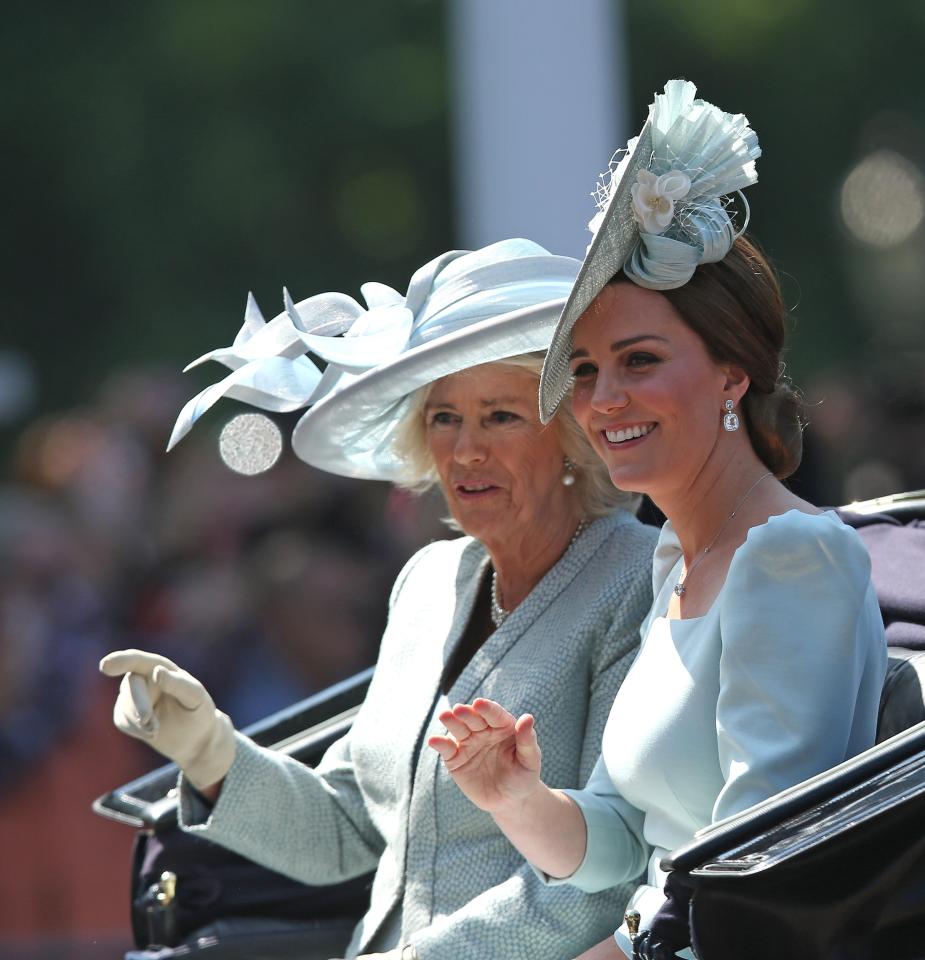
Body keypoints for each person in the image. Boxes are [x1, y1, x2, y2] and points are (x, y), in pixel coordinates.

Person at [100, 239, 659, 960]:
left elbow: (611, 874)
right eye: (443, 418)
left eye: (500, 417)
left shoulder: (638, 577)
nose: (463, 451)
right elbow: (352, 831)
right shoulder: (427, 581)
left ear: (573, 433)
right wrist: (211, 753)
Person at [429, 81, 888, 960]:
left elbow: (753, 881)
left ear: (731, 374)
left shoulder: (791, 557)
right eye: (590, 371)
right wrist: (514, 795)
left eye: (640, 361)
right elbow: (621, 841)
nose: (604, 402)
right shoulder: (677, 555)